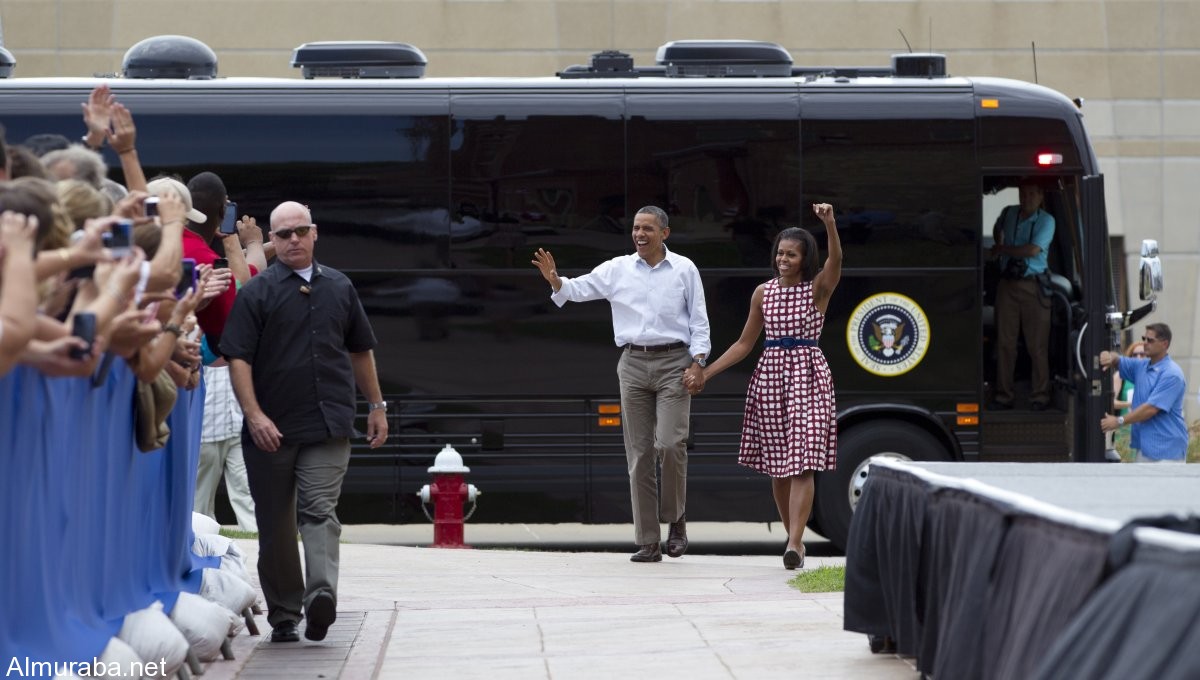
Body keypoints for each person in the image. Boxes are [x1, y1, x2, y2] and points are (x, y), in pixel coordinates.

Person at [220, 201, 389, 644]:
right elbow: (238, 358)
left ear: (315, 233)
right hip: (270, 431)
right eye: (283, 234)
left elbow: (360, 349)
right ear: (272, 241)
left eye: (300, 231)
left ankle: (320, 597)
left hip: (328, 424)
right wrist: (254, 415)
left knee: (319, 511)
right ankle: (284, 614)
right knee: (275, 524)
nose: (293, 240)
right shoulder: (256, 293)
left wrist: (376, 405)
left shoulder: (340, 286)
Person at [531, 205, 710, 563]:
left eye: (647, 229)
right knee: (639, 454)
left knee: (670, 444)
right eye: (636, 228)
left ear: (664, 233)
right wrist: (556, 281)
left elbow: (699, 321)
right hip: (632, 364)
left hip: (675, 362)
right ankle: (648, 541)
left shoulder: (684, 269)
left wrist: (698, 362)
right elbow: (578, 288)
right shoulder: (618, 269)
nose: (640, 234)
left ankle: (676, 519)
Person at [692, 204, 841, 570]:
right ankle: (794, 542)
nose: (783, 259)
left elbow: (836, 260)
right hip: (770, 378)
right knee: (779, 468)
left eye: (791, 254)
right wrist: (706, 373)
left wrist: (829, 224)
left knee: (803, 462)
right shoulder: (763, 293)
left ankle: (794, 542)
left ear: (805, 259)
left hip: (808, 375)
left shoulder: (818, 288)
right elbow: (744, 344)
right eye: (780, 253)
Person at [989, 180, 1056, 411]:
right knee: (1004, 343)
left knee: (1037, 345)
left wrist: (1002, 249)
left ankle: (1040, 396)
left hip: (1033, 286)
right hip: (1007, 285)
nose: (1026, 198)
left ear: (1040, 196)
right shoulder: (1009, 213)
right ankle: (1003, 396)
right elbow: (997, 227)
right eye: (1022, 193)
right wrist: (999, 239)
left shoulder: (1046, 220)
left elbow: (1032, 250)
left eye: (1031, 194)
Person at [1100, 323, 1188, 462]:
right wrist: (1109, 356)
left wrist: (1118, 421)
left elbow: (1151, 409)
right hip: (1145, 448)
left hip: (1167, 452)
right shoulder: (1141, 366)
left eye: (1150, 340)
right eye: (1144, 338)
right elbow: (1118, 360)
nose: (1145, 343)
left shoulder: (1172, 374)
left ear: (1164, 344)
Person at [1111, 341, 1145, 458]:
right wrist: (1130, 404)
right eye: (1134, 355)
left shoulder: (1154, 376)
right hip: (1125, 431)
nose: (1138, 357)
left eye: (1142, 354)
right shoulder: (1120, 376)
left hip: (1146, 433)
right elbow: (1111, 402)